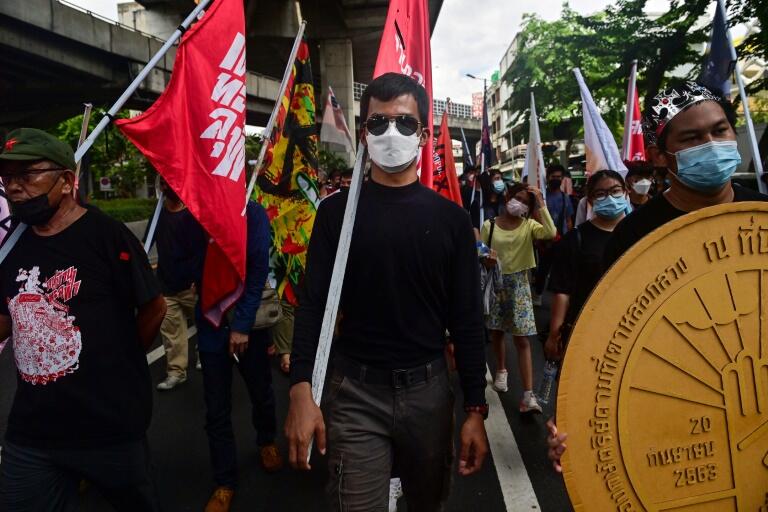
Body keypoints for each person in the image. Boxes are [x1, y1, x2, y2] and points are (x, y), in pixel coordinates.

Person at [285, 72, 489, 511]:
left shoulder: (452, 221)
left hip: (428, 393)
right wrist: (300, 387)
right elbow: (314, 305)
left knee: (426, 503)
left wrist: (475, 407)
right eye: (378, 122)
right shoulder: (336, 214)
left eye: (404, 122)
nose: (390, 132)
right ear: (364, 133)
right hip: (354, 393)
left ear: (423, 135)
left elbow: (468, 319)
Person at [548, 80, 768, 471]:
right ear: (660, 156)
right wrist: (575, 422)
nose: (711, 144)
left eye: (719, 130)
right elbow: (610, 341)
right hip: (679, 413)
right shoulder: (634, 236)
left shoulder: (761, 215)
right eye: (692, 138)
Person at [0, 128, 166, 511]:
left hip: (108, 426)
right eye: (7, 178)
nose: (14, 187)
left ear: (66, 181)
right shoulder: (11, 244)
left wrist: (122, 359)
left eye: (27, 174)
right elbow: (7, 316)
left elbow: (154, 307)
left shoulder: (107, 236)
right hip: (32, 430)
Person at [199, 200, 283, 512]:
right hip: (210, 325)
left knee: (261, 391)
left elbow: (258, 270)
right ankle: (224, 481)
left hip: (248, 326)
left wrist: (243, 325)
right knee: (216, 409)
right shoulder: (197, 212)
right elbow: (178, 265)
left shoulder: (253, 213)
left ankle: (266, 440)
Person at [481, 183, 556, 412]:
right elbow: (481, 253)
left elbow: (551, 233)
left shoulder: (529, 226)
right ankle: (501, 370)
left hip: (520, 285)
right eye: (518, 198)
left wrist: (540, 202)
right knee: (497, 332)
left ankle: (528, 395)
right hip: (496, 284)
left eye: (525, 202)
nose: (520, 204)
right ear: (508, 197)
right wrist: (486, 260)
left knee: (522, 339)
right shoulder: (489, 225)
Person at [545, 171, 629, 362]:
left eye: (615, 191)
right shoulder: (575, 239)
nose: (610, 198)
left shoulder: (640, 234)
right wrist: (554, 334)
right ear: (590, 200)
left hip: (632, 326)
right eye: (601, 194)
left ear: (625, 192)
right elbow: (562, 292)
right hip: (587, 328)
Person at [154, 178, 207, 390]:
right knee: (171, 333)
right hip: (166, 286)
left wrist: (198, 279)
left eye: (170, 182)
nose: (166, 187)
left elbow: (201, 251)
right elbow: (148, 241)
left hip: (191, 287)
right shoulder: (158, 215)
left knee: (205, 325)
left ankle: (204, 354)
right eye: (163, 183)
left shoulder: (193, 215)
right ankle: (176, 372)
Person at [533, 165, 573, 305]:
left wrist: (569, 237)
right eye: (553, 177)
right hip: (545, 240)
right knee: (543, 269)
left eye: (559, 177)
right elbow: (536, 214)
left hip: (561, 240)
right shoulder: (542, 197)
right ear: (548, 177)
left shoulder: (565, 198)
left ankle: (558, 298)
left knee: (560, 270)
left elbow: (568, 220)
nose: (556, 179)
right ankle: (538, 293)